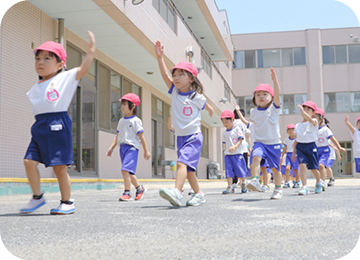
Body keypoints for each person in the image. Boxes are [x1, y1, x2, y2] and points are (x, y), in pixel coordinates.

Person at [21, 32, 95, 215]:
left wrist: (91, 50)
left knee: (59, 167)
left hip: (57, 124)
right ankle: (37, 197)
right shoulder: (36, 87)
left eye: (47, 58)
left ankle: (67, 202)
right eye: (38, 58)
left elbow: (83, 70)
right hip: (39, 126)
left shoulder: (64, 78)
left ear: (60, 64)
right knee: (29, 161)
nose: (40, 61)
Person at [155, 40, 214, 207]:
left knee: (182, 164)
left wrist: (210, 110)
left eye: (181, 74)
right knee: (188, 171)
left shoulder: (195, 96)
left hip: (193, 136)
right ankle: (199, 194)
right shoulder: (174, 91)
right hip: (180, 137)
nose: (176, 78)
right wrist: (160, 58)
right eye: (175, 75)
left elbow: (206, 104)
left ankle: (177, 192)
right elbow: (164, 75)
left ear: (191, 78)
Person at [236, 68, 283, 199]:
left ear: (271, 97)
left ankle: (278, 189)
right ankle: (256, 180)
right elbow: (252, 126)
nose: (261, 97)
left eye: (265, 94)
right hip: (259, 142)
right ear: (254, 98)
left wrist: (275, 82)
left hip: (273, 143)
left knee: (275, 169)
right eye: (258, 95)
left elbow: (278, 96)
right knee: (256, 157)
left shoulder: (274, 109)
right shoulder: (253, 112)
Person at [106, 93, 151, 201]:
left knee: (125, 170)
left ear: (133, 106)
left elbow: (141, 137)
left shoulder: (136, 121)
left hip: (132, 148)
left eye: (125, 104)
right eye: (122, 104)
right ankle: (140, 189)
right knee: (129, 172)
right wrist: (111, 147)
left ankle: (127, 193)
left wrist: (146, 151)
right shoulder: (121, 121)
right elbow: (117, 136)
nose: (122, 106)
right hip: (122, 148)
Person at [292, 101, 322, 195]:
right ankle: (304, 186)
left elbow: (311, 120)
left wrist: (304, 114)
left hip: (311, 146)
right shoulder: (298, 125)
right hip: (300, 147)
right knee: (302, 166)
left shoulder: (314, 122)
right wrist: (293, 152)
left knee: (313, 169)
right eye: (304, 109)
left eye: (308, 110)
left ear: (314, 113)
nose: (305, 111)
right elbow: (297, 139)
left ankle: (318, 181)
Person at [315, 108, 345, 190]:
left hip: (324, 150)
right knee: (316, 168)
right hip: (315, 150)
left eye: (315, 117)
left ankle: (322, 182)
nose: (313, 119)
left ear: (321, 119)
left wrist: (339, 147)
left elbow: (333, 139)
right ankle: (319, 181)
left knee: (321, 166)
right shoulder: (312, 129)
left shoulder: (325, 129)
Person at [220, 110, 247, 194]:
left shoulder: (237, 129)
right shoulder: (224, 132)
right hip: (228, 155)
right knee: (228, 171)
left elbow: (241, 139)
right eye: (223, 122)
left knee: (240, 170)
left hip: (237, 154)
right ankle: (230, 187)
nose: (225, 124)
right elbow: (224, 143)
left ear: (232, 119)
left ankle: (243, 183)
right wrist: (226, 151)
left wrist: (235, 147)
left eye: (227, 121)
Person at [234, 107, 251, 188]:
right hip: (243, 147)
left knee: (234, 164)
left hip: (234, 147)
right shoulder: (244, 123)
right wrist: (249, 147)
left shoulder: (232, 122)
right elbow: (247, 136)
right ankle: (243, 181)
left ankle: (234, 182)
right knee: (243, 165)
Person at [280, 124, 301, 188]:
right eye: (289, 130)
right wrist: (281, 155)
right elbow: (284, 148)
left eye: (292, 130)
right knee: (287, 168)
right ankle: (287, 182)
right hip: (288, 155)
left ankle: (297, 182)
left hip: (295, 155)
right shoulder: (286, 140)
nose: (291, 131)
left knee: (296, 169)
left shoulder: (298, 139)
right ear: (287, 131)